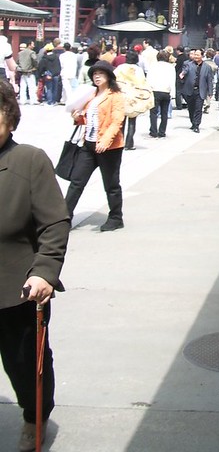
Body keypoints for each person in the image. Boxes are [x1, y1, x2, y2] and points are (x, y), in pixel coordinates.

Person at [0, 79, 70, 451]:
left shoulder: (28, 159)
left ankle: (34, 415)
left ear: (10, 119)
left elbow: (54, 223)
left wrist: (44, 271)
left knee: (25, 364)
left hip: (15, 286)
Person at [64, 61, 126, 231]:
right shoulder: (91, 96)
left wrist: (105, 141)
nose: (97, 77)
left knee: (111, 184)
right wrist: (77, 117)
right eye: (94, 74)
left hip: (110, 148)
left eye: (101, 73)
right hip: (88, 145)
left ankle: (116, 218)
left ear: (109, 76)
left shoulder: (115, 96)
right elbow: (88, 119)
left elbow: (117, 121)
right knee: (77, 181)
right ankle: (64, 217)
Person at [114, 50, 149, 150]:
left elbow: (114, 80)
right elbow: (143, 83)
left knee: (121, 121)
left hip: (121, 97)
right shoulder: (138, 70)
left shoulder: (120, 68)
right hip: (134, 98)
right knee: (132, 121)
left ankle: (119, 142)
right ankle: (129, 143)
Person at [146, 50, 176, 138]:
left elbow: (149, 79)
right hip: (166, 91)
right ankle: (162, 132)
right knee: (164, 113)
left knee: (153, 112)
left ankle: (153, 131)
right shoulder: (171, 67)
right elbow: (172, 80)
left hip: (155, 90)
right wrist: (172, 93)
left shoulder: (153, 66)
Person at [190, 49, 215, 132]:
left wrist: (210, 92)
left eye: (197, 55)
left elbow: (209, 80)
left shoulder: (207, 67)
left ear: (202, 56)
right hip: (190, 90)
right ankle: (193, 122)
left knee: (198, 108)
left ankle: (196, 125)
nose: (195, 56)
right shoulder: (189, 65)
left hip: (200, 90)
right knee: (191, 108)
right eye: (195, 55)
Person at [17, 41, 37, 105]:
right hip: (30, 72)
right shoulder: (32, 53)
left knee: (23, 88)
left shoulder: (20, 53)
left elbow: (17, 62)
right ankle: (32, 100)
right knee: (32, 87)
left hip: (22, 72)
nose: (34, 46)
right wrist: (35, 67)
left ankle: (22, 101)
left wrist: (20, 68)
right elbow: (35, 60)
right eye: (32, 44)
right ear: (29, 45)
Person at [59, 42, 79, 107]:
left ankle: (70, 100)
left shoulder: (62, 55)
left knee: (66, 87)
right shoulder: (74, 55)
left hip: (65, 72)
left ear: (64, 48)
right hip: (72, 72)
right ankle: (63, 100)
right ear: (70, 48)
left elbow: (61, 65)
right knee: (67, 87)